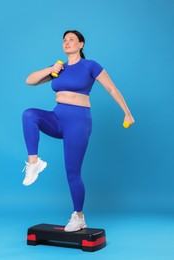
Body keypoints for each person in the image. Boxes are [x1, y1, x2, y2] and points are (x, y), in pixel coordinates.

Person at [22, 30, 135, 232]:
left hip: (78, 122)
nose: (67, 42)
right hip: (57, 119)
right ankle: (34, 163)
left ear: (81, 44)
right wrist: (50, 69)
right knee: (29, 115)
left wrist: (127, 113)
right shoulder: (59, 68)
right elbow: (29, 80)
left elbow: (111, 88)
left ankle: (79, 216)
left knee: (72, 172)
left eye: (71, 39)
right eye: (64, 40)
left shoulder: (90, 65)